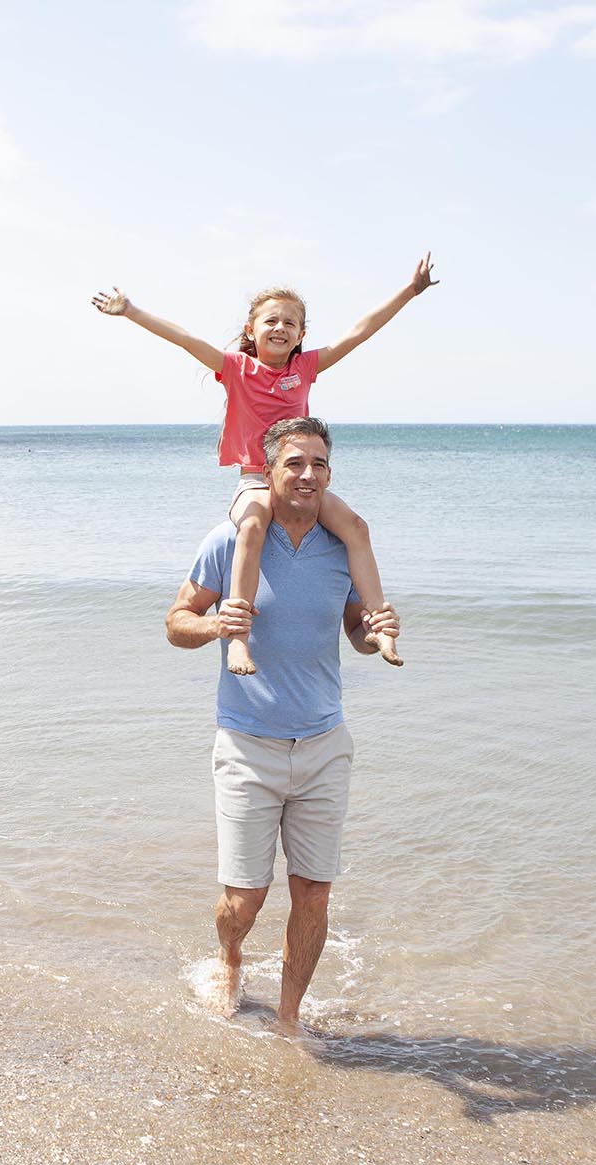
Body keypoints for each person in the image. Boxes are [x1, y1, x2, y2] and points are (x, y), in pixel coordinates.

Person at [164, 417, 400, 1034]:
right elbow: (175, 622)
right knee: (244, 899)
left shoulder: (340, 547)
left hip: (325, 744)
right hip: (246, 745)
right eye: (294, 463)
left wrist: (373, 636)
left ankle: (290, 1020)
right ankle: (230, 957)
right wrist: (218, 626)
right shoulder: (230, 540)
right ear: (268, 471)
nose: (308, 474)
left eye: (319, 464)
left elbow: (354, 630)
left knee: (315, 893)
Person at [96, 257, 434, 676]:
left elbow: (358, 333)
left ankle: (381, 625)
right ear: (250, 331)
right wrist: (131, 311)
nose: (280, 328)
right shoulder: (236, 368)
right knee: (252, 525)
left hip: (297, 478)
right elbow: (185, 339)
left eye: (290, 323)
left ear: (301, 336)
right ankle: (239, 640)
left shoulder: (305, 368)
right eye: (271, 320)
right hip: (256, 478)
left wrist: (409, 292)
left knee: (356, 526)